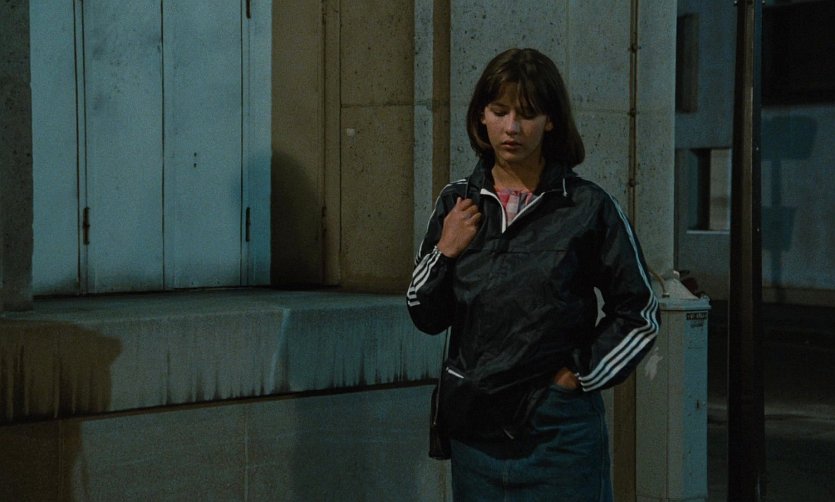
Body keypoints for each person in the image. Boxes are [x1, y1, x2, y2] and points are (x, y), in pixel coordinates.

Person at [406, 48, 660, 501]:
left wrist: (576, 377)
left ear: (551, 121)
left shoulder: (587, 207)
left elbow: (639, 312)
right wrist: (445, 251)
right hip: (476, 431)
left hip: (559, 435)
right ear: (481, 116)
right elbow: (425, 314)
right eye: (499, 111)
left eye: (527, 114)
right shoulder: (457, 203)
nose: (512, 127)